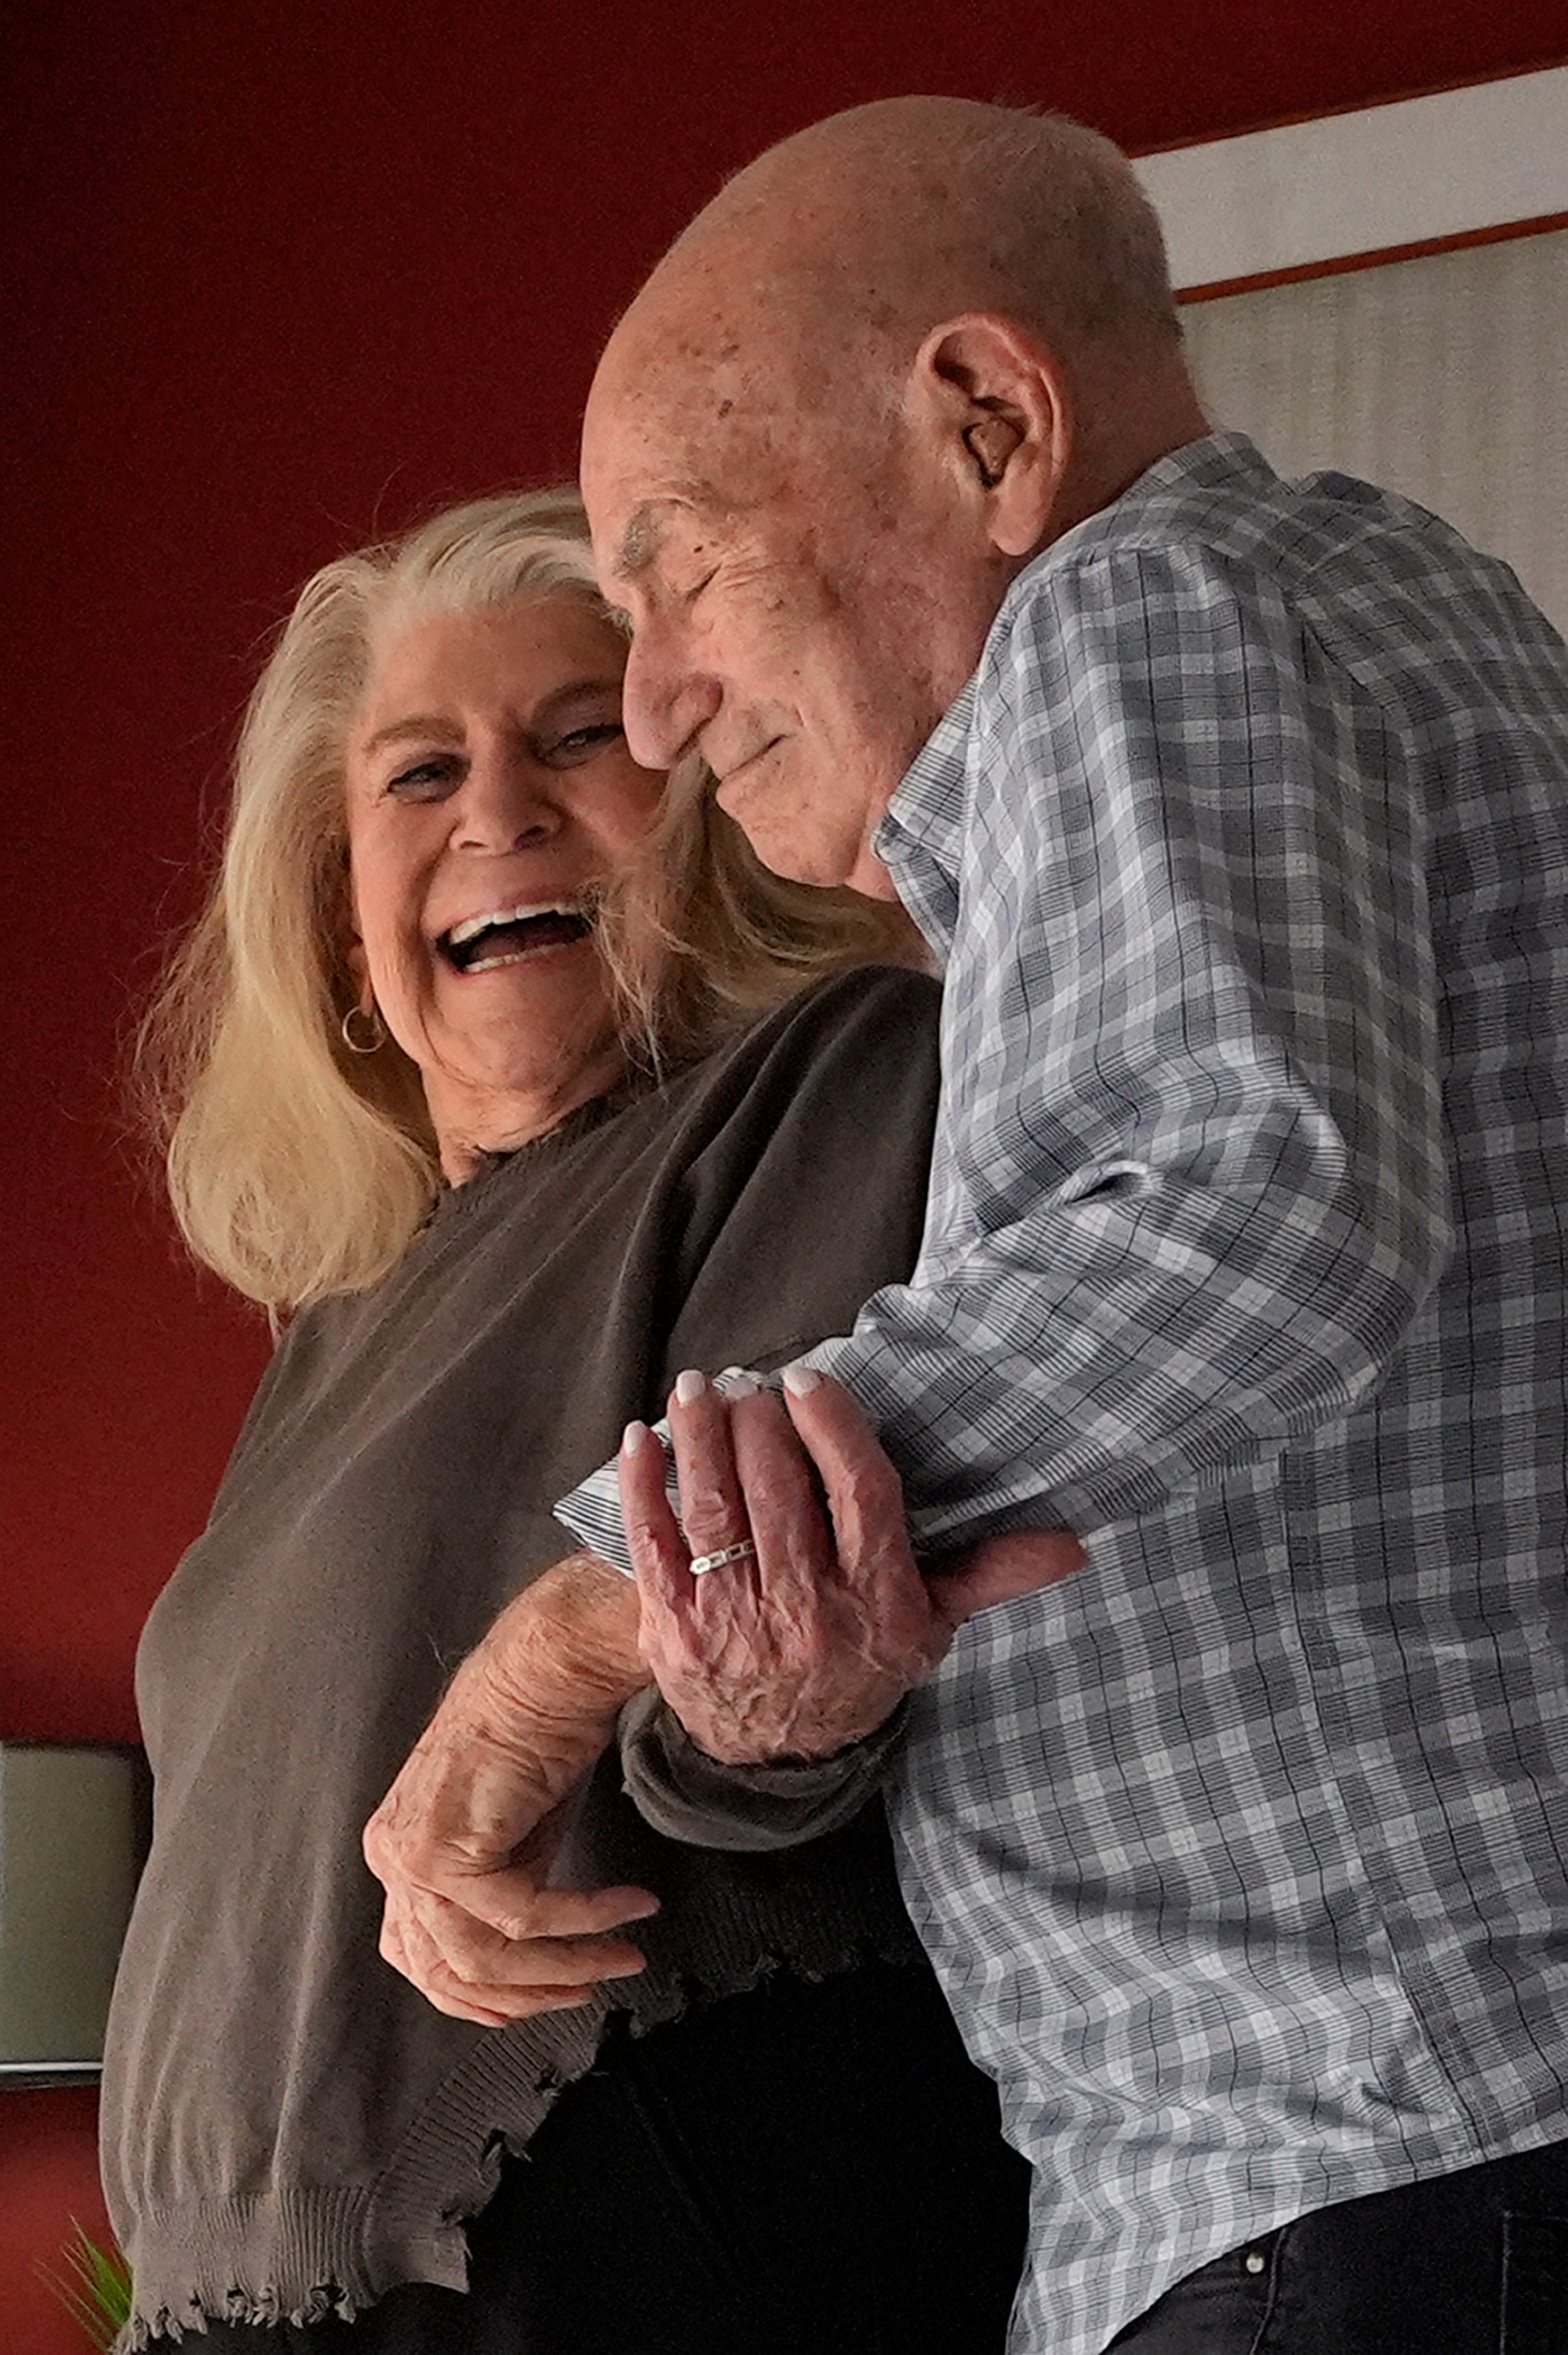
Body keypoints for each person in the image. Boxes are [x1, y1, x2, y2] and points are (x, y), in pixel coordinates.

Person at [515, 95, 1566, 2354]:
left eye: (678, 566)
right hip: (1372, 2155)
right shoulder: (1382, 604)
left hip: (1365, 2147)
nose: (657, 704)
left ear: (991, 426)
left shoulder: (1133, 598)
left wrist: (573, 1631)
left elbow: (1246, 1212)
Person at [100, 486, 1068, 2354]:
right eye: (415, 772)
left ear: (698, 787)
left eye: (576, 734)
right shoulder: (347, 1320)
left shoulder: (830, 1071)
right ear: (331, 897)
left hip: (621, 2213)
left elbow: (802, 1605)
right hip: (275, 2293)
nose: (500, 810)